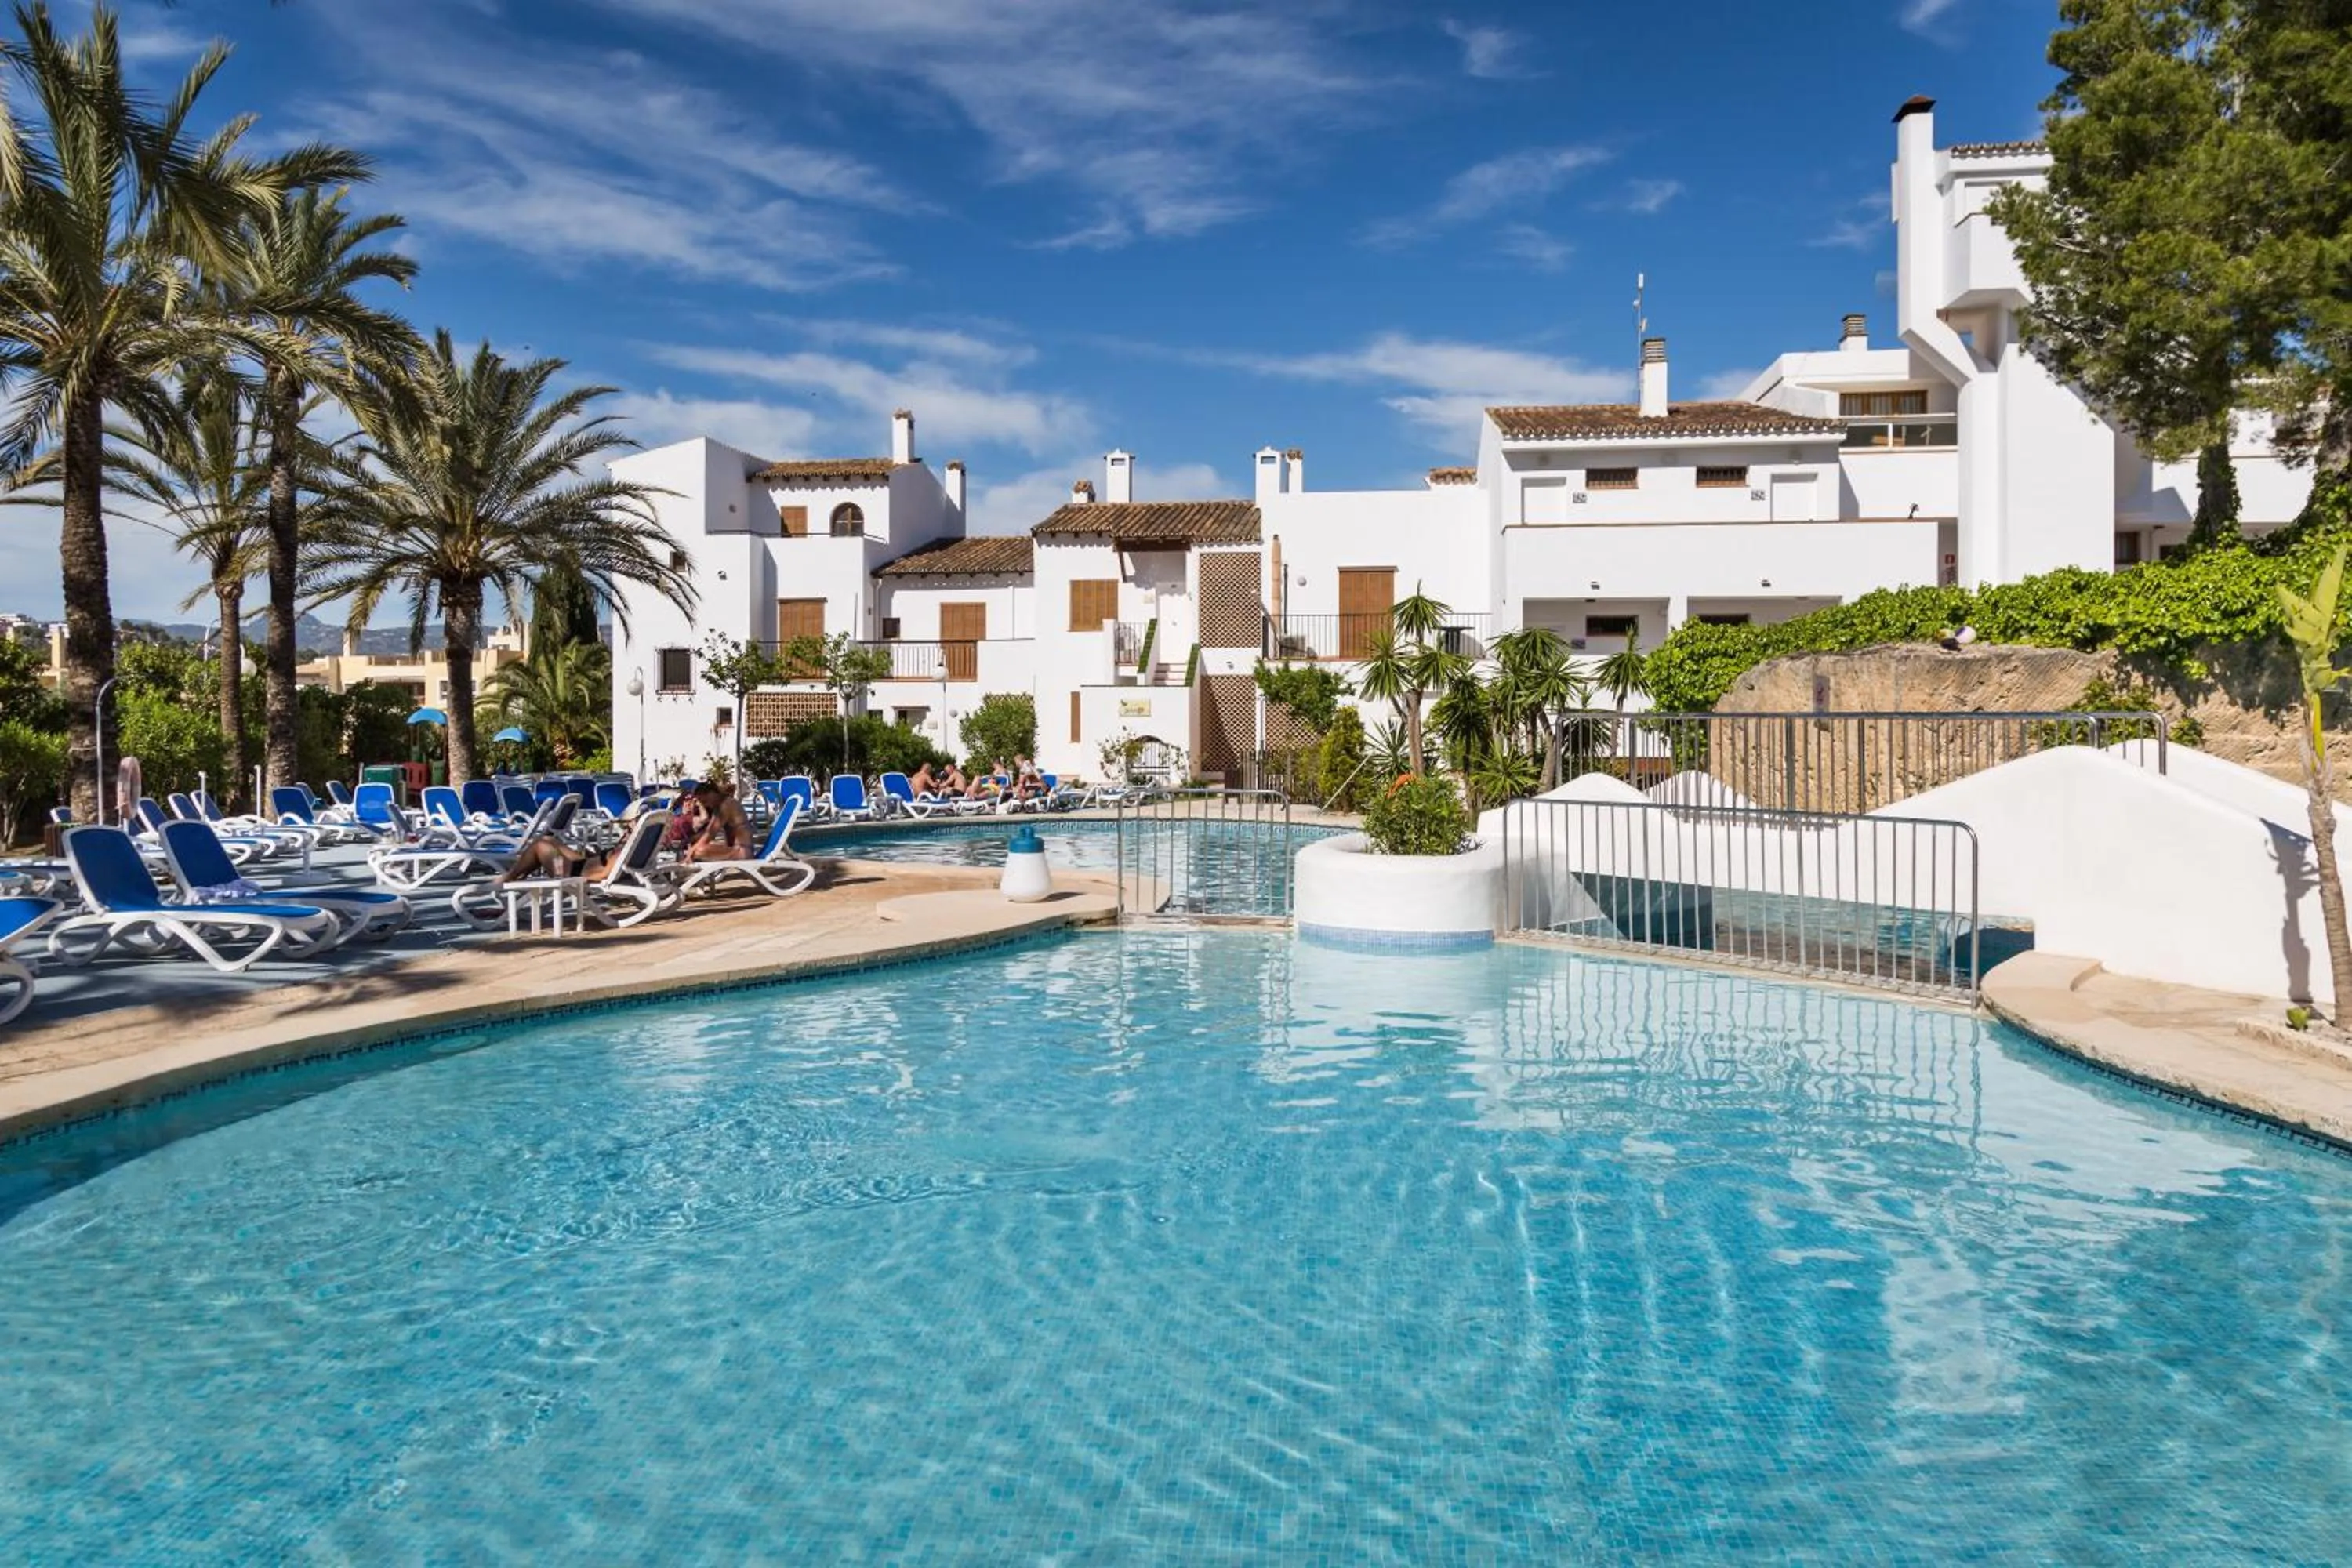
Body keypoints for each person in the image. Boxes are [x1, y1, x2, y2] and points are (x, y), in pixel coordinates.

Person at [684, 781, 753, 862]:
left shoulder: (727, 804)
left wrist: (692, 850)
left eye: (705, 801)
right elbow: (708, 831)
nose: (706, 805)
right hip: (735, 849)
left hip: (743, 851)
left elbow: (710, 834)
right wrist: (689, 840)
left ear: (712, 793)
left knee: (699, 851)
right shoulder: (720, 805)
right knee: (696, 848)